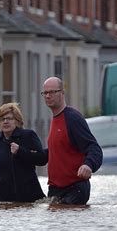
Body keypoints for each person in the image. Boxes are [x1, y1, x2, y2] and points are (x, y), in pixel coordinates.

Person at [42, 77, 102, 205]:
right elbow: (55, 152)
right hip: (55, 190)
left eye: (52, 92)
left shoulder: (73, 118)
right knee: (52, 224)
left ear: (62, 93)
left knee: (69, 223)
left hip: (75, 188)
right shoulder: (54, 120)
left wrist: (88, 165)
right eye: (45, 93)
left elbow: (94, 148)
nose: (48, 96)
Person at [0, 103, 47, 202]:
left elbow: (42, 158)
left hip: (28, 197)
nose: (5, 121)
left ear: (17, 121)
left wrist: (20, 151)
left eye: (9, 118)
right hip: (4, 198)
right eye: (2, 119)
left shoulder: (28, 136)